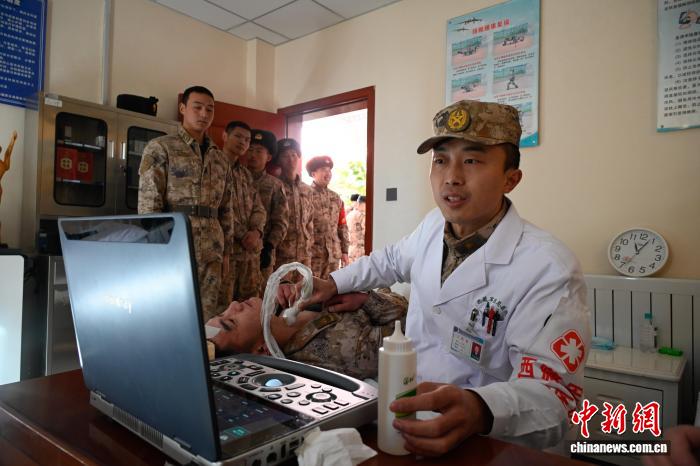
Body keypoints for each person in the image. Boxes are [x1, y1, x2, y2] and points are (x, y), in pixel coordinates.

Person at [286, 100, 591, 456]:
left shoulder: (549, 268)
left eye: (472, 160)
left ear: (511, 179)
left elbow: (555, 397)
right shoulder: (433, 225)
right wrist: (335, 283)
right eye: (441, 160)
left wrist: (481, 409)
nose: (452, 177)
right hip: (409, 422)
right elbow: (390, 260)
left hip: (491, 446)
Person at [138, 86, 235, 321]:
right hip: (177, 243)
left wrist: (227, 253)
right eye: (197, 107)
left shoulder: (220, 158)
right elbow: (149, 204)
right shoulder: (161, 147)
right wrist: (156, 249)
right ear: (182, 109)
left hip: (213, 249)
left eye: (209, 109)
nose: (204, 114)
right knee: (172, 313)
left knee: (210, 318)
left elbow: (226, 208)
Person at [207, 289, 408, 380]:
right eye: (231, 321)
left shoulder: (288, 310)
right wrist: (364, 299)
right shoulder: (341, 349)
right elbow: (406, 323)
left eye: (223, 312)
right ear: (261, 349)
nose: (233, 305)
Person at [219, 121, 266, 302]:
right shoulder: (213, 167)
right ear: (225, 136)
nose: (243, 142)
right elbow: (216, 209)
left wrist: (256, 232)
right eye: (238, 136)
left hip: (249, 255)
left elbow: (258, 207)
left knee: (250, 306)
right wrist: (243, 234)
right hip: (226, 253)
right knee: (222, 308)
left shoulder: (245, 174)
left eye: (247, 140)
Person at [245, 130, 289, 283]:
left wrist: (269, 246)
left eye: (259, 151)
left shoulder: (275, 185)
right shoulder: (235, 178)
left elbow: (281, 221)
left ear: (269, 157)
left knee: (263, 295)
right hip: (236, 253)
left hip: (262, 253)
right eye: (250, 149)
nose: (253, 155)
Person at [307, 155, 350, 279]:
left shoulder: (336, 198)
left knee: (331, 288)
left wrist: (345, 251)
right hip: (313, 256)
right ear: (313, 173)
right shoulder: (306, 194)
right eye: (323, 170)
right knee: (311, 288)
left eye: (329, 170)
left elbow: (342, 226)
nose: (328, 173)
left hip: (333, 256)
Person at [274, 139, 314, 269]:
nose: (290, 160)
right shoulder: (274, 186)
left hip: (304, 256)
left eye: (293, 155)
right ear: (278, 160)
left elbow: (310, 221)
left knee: (305, 283)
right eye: (285, 156)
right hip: (281, 255)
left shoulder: (307, 190)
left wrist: (309, 245)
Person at [347, 195, 366, 263]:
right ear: (362, 204)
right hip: (360, 250)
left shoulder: (349, 215)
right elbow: (366, 232)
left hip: (351, 249)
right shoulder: (362, 215)